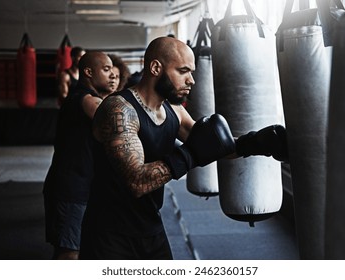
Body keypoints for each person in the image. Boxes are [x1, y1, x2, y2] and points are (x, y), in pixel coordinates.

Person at [79, 36, 288, 260]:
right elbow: (137, 182)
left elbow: (214, 145)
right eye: (183, 71)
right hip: (108, 233)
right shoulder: (119, 110)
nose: (192, 81)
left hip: (150, 226)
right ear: (156, 67)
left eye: (192, 72)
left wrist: (256, 143)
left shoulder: (174, 111)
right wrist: (191, 154)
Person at [43, 51, 117, 260]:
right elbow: (113, 118)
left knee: (86, 247)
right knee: (69, 252)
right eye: (106, 69)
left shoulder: (87, 98)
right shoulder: (85, 99)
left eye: (112, 69)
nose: (112, 75)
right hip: (70, 189)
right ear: (88, 72)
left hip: (82, 186)